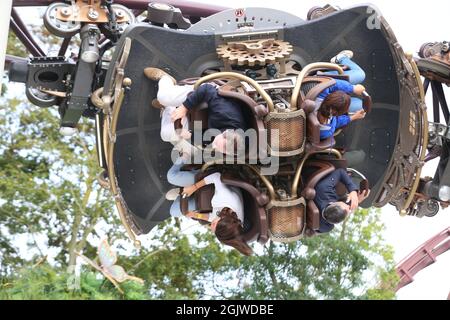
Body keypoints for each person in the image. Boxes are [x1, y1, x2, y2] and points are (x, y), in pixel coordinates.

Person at [144, 67, 247, 155]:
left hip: (204, 118)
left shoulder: (231, 143)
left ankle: (167, 107)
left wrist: (190, 136)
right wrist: (184, 107)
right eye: (216, 143)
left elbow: (207, 139)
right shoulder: (225, 112)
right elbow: (207, 89)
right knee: (163, 97)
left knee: (165, 135)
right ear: (227, 132)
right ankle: (165, 78)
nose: (214, 146)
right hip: (204, 96)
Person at [167, 168, 253, 256]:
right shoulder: (225, 197)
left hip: (214, 203)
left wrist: (195, 215)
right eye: (214, 225)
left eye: (215, 230)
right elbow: (216, 176)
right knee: (171, 176)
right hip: (216, 184)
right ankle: (187, 161)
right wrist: (193, 188)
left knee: (174, 211)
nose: (212, 228)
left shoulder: (230, 226)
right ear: (223, 218)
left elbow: (212, 217)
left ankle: (183, 191)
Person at [313, 168, 370, 234]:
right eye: (349, 210)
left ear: (332, 203)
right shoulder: (326, 227)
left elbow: (340, 172)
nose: (349, 207)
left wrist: (353, 191)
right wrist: (358, 200)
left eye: (346, 205)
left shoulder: (323, 190)